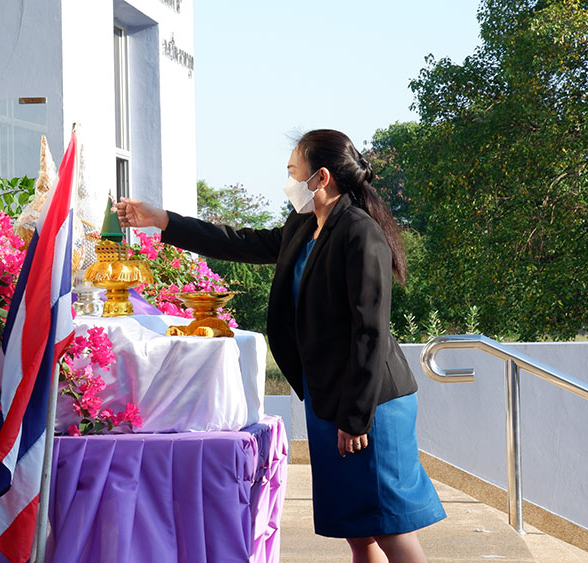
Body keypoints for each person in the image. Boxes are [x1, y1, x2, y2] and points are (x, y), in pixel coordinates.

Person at [116, 129, 446, 562]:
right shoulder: (304, 227)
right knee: (359, 530)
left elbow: (370, 331)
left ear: (321, 177)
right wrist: (162, 219)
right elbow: (238, 242)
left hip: (369, 404)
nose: (288, 181)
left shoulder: (360, 232)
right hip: (328, 396)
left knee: (389, 527)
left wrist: (355, 417)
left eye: (293, 172)